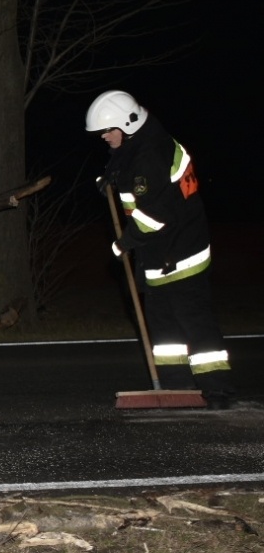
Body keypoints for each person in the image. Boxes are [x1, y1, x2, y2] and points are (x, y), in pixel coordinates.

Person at [87, 90, 234, 407]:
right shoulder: (138, 145)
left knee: (194, 323)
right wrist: (110, 178)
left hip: (180, 252)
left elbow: (156, 215)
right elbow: (129, 173)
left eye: (108, 130)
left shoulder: (151, 154)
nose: (104, 136)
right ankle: (175, 388)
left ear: (128, 125)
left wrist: (123, 244)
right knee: (164, 326)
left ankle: (217, 389)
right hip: (158, 253)